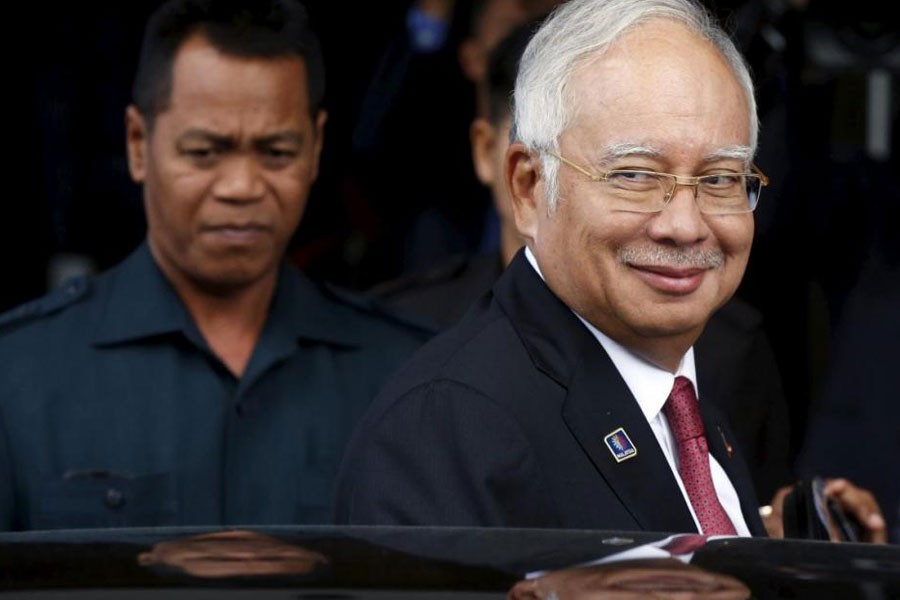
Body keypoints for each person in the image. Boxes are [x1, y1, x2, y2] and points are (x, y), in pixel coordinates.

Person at [334, 0, 886, 541]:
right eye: (635, 176)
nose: (685, 225)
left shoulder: (689, 400)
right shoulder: (446, 429)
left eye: (719, 179)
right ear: (528, 187)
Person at [0, 0, 428, 531]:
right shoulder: (18, 375)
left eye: (276, 152)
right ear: (139, 145)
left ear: (316, 147)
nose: (242, 187)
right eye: (204, 152)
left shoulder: (405, 375)